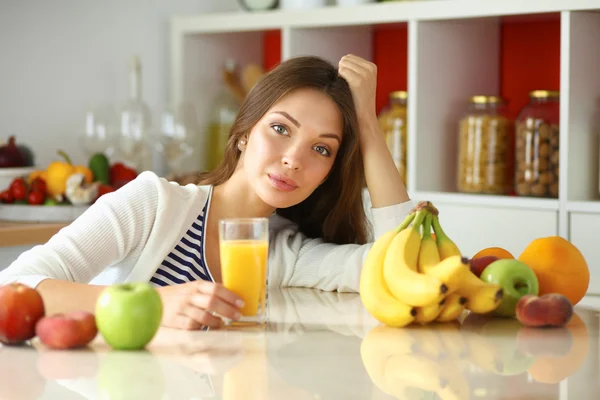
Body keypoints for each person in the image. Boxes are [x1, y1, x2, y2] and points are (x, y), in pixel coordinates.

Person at [0, 54, 413, 330]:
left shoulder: (285, 254)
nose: (293, 159)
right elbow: (12, 287)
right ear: (243, 134)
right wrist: (152, 304)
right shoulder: (152, 204)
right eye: (281, 129)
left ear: (328, 173)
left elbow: (401, 265)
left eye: (321, 148)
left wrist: (369, 128)